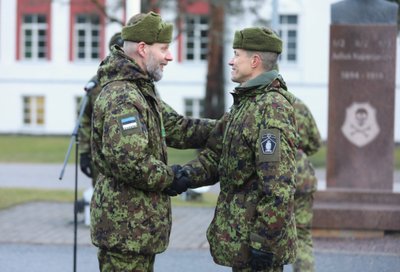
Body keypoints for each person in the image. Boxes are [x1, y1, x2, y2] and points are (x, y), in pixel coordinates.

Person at [90, 12, 215, 271]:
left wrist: (228, 127)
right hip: (124, 231)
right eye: (165, 49)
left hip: (137, 230)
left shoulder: (140, 89)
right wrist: (171, 178)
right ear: (143, 49)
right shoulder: (123, 96)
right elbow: (130, 162)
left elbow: (177, 128)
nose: (169, 57)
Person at [171, 27, 299, 272]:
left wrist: (264, 241)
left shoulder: (271, 108)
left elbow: (278, 185)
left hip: (258, 244)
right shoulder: (246, 104)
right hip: (242, 238)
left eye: (236, 54)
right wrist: (184, 177)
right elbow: (216, 156)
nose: (231, 60)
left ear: (255, 61)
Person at [79, 32, 124, 187]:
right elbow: (84, 120)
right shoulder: (97, 82)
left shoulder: (141, 81)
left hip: (131, 156)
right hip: (101, 156)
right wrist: (84, 153)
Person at [291, 97, 321, 272]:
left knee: (264, 238)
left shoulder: (259, 103)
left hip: (268, 178)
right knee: (301, 235)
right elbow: (316, 142)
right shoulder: (299, 105)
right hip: (302, 174)